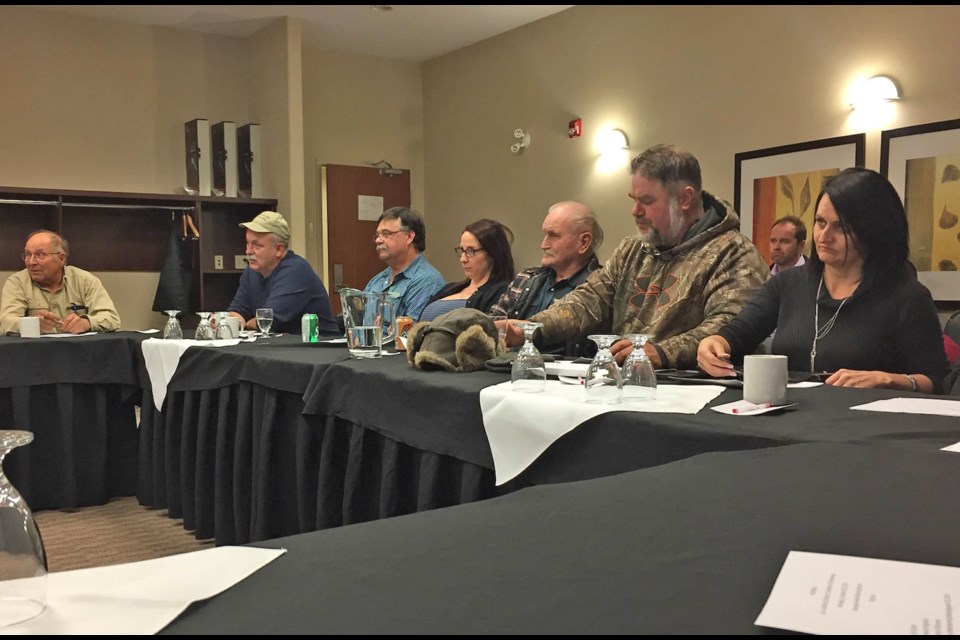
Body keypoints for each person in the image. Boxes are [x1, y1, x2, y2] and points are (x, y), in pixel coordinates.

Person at [501, 144, 769, 369]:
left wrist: (660, 353)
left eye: (648, 201)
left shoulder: (733, 253)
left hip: (693, 394)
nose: (635, 211)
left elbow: (730, 326)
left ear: (685, 199)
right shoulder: (633, 250)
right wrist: (530, 328)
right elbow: (588, 301)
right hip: (627, 387)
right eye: (633, 199)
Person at [697, 167, 949, 393]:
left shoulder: (907, 297)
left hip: (866, 428)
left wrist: (889, 380)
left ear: (875, 231)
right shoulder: (787, 285)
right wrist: (714, 343)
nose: (824, 236)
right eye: (820, 222)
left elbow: (936, 380)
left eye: (841, 227)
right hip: (792, 419)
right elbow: (738, 334)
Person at [490, 201, 603, 355]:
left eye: (554, 235)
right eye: (545, 234)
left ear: (583, 242)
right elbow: (493, 326)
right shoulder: (526, 279)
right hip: (508, 371)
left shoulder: (602, 288)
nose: (543, 245)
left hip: (569, 376)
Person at [227, 211, 337, 335]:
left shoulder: (296, 270)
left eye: (257, 246)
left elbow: (267, 320)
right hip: (278, 349)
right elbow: (238, 311)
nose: (248, 251)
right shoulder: (252, 271)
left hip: (317, 349)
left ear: (278, 249)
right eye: (248, 243)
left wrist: (245, 324)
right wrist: (230, 322)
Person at [0, 230, 121, 334]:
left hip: (78, 352)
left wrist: (87, 323)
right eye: (27, 255)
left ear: (61, 258)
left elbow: (111, 318)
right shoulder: (17, 282)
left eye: (39, 255)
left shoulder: (84, 280)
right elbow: (6, 322)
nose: (31, 262)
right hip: (34, 353)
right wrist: (33, 324)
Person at [418, 219, 515, 323]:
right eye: (462, 251)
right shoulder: (449, 289)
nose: (463, 259)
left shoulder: (502, 293)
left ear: (492, 253)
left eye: (471, 251)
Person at [364, 206, 445, 320]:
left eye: (386, 233)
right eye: (377, 235)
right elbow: (357, 324)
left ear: (409, 237)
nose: (378, 240)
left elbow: (409, 333)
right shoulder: (377, 280)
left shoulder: (427, 281)